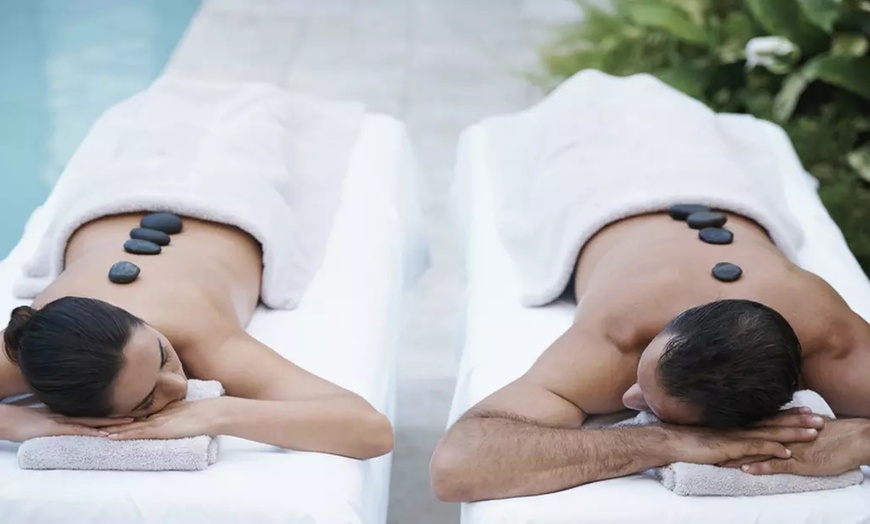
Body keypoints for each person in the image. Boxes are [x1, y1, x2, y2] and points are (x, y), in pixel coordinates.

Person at [431, 206, 870, 502]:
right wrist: (663, 440)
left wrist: (861, 441)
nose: (628, 398)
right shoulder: (623, 334)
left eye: (654, 409)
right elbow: (457, 464)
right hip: (610, 200)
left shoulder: (833, 342)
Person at [0, 213, 393, 460]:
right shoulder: (30, 350)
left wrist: (218, 413)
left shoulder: (195, 334)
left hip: (214, 202)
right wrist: (24, 424)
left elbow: (370, 429)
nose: (179, 385)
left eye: (162, 355)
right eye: (147, 400)